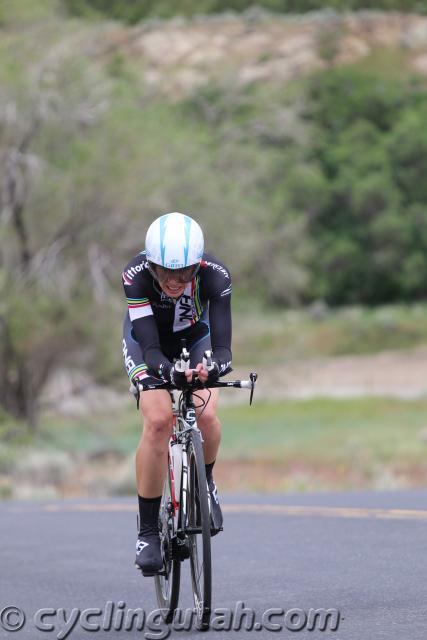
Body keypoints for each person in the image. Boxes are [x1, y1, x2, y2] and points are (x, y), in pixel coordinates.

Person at [122, 212, 232, 575]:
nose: (173, 280)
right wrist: (169, 374)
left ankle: (207, 484)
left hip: (194, 337)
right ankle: (148, 532)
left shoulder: (216, 275)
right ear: (150, 263)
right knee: (157, 422)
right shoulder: (136, 278)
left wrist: (211, 369)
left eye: (183, 272)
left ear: (197, 265)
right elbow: (152, 351)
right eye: (165, 271)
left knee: (208, 414)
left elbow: (223, 349)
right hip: (146, 342)